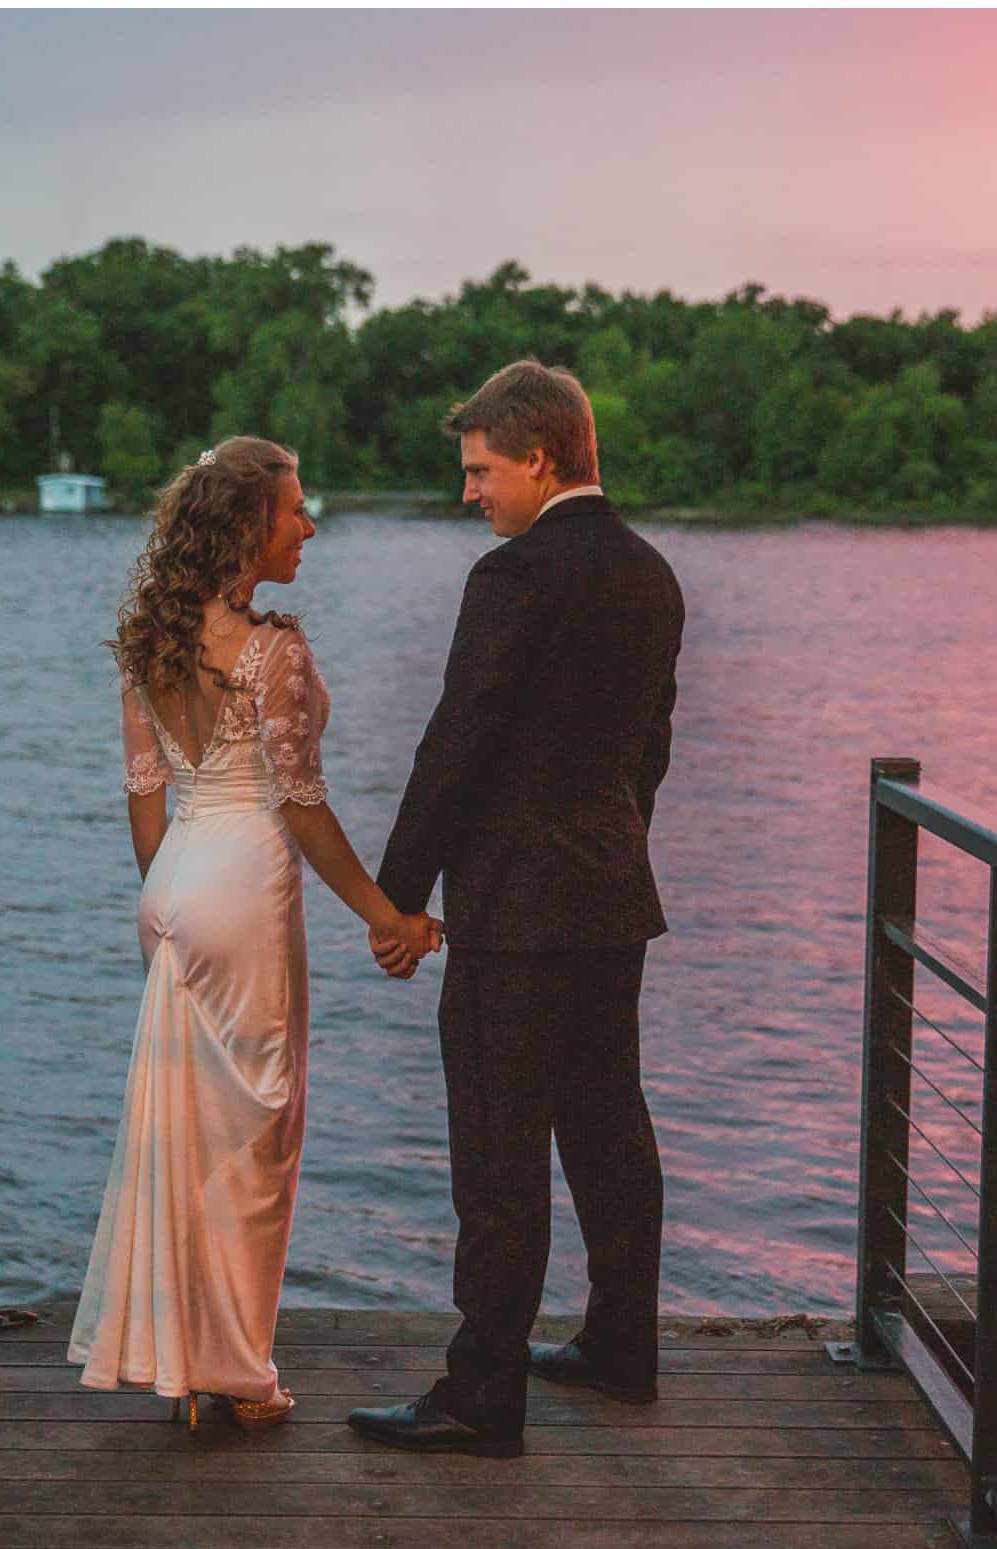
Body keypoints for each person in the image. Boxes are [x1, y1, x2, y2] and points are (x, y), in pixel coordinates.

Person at [69, 436, 443, 1431]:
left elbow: (146, 794)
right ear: (248, 530)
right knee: (257, 1141)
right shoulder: (273, 651)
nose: (310, 526)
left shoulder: (151, 634)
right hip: (243, 886)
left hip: (176, 882)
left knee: (188, 1136)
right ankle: (238, 1378)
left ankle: (189, 1366)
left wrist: (167, 914)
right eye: (295, 511)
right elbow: (304, 806)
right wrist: (389, 916)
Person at [347, 360, 685, 1458]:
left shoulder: (513, 577)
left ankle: (483, 1394)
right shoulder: (652, 574)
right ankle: (620, 1346)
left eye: (482, 470)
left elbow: (459, 745)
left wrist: (396, 898)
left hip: (518, 915)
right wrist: (607, 846)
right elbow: (650, 751)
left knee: (498, 1153)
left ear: (540, 459)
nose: (471, 493)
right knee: (608, 1130)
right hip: (610, 897)